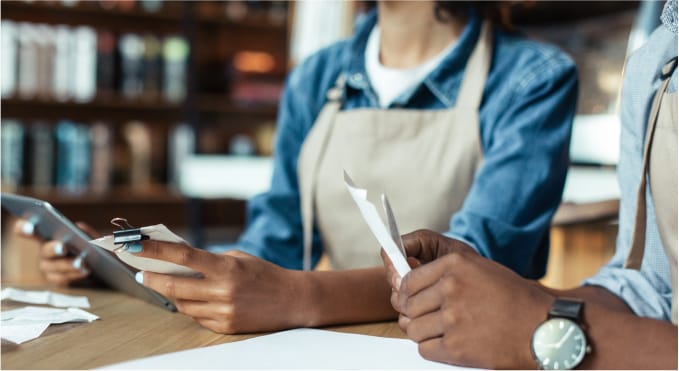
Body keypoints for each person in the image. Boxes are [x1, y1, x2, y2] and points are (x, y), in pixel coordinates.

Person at [15, 1, 577, 334]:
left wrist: (297, 296)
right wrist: (136, 266)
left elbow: (483, 265)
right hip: (337, 343)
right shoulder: (319, 76)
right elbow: (275, 243)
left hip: (469, 346)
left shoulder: (532, 78)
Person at [382, 1, 678, 368]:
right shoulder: (659, 56)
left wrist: (543, 328)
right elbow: (648, 290)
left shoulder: (535, 75)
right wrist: (514, 299)